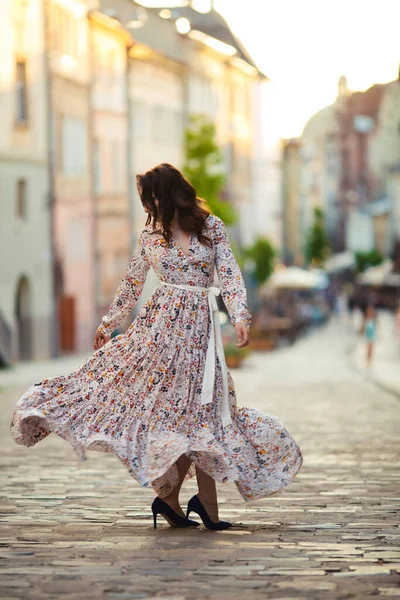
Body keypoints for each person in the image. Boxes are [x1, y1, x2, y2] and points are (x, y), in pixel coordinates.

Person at [10, 163, 302, 530]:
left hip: (200, 334)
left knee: (202, 411)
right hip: (159, 334)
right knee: (179, 415)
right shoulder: (151, 236)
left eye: (151, 199)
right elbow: (132, 282)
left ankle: (180, 501)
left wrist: (240, 316)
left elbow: (229, 273)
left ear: (167, 195)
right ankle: (192, 502)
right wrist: (109, 323)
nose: (148, 207)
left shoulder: (211, 228)